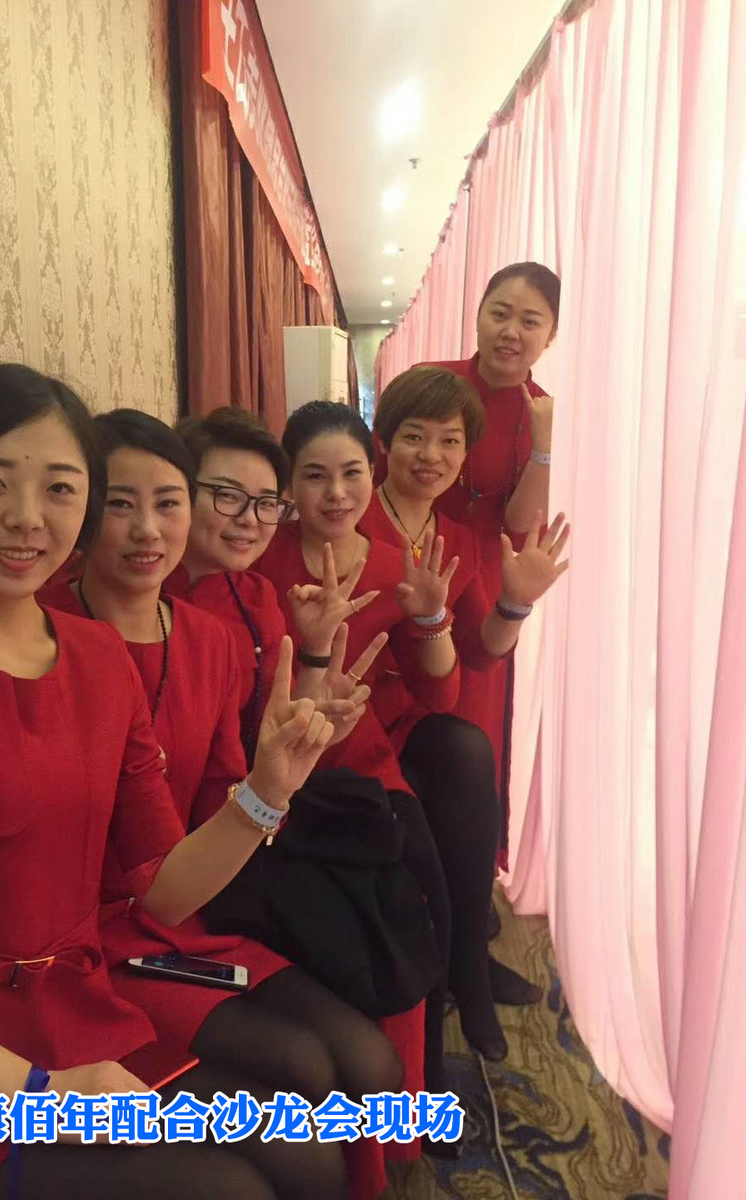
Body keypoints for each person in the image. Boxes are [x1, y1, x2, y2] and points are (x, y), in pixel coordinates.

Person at [0, 366, 345, 1200]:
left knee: (307, 1150)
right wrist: (36, 1096)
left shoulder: (96, 657)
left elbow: (162, 890)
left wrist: (267, 791)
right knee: (226, 1188)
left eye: (59, 487)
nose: (27, 517)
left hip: (75, 1019)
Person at [39, 409, 402, 1118]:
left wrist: (281, 776)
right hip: (79, 937)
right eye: (121, 504)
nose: (148, 531)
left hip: (185, 906)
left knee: (369, 1060)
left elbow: (224, 803)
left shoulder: (208, 639)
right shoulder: (43, 633)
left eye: (167, 504)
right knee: (302, 1067)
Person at [168, 407, 433, 1181]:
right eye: (225, 496)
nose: (248, 519)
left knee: (402, 887)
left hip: (258, 820)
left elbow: (269, 741)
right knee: (371, 926)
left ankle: (406, 1137)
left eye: (263, 502)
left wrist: (317, 661)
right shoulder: (128, 613)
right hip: (209, 854)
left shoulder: (252, 595)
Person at [259, 399, 568, 1063]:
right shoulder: (264, 557)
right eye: (314, 476)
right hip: (288, 749)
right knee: (399, 855)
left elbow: (450, 681)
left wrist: (446, 614)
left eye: (449, 441)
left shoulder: (410, 552)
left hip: (372, 733)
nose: (336, 493)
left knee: (457, 771)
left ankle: (456, 996)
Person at [413, 261, 561, 866]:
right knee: (408, 704)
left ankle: (465, 866)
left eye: (530, 321)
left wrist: (543, 446)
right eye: (499, 313)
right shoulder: (432, 383)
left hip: (490, 580)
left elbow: (520, 522)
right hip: (418, 557)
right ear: (477, 315)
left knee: (473, 722)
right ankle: (405, 861)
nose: (511, 332)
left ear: (550, 335)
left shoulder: (540, 407)